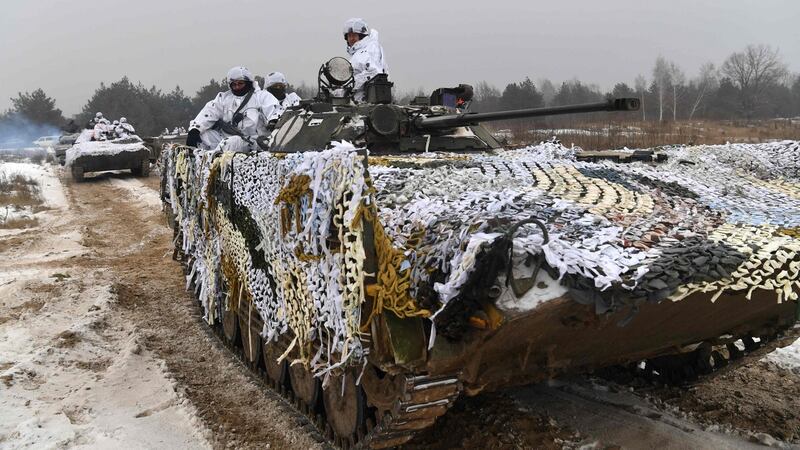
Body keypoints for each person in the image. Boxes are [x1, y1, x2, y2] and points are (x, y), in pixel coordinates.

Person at [186, 66, 279, 152]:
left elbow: (274, 110)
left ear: (249, 83)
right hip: (226, 137)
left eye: (240, 83)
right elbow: (209, 111)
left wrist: (274, 120)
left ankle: (214, 165)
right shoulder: (224, 98)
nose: (237, 87)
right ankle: (199, 162)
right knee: (203, 136)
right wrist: (195, 129)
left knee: (231, 143)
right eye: (234, 84)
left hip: (253, 142)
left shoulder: (261, 96)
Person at [343, 17, 388, 102]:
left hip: (366, 102)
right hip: (356, 101)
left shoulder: (370, 48)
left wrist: (350, 86)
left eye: (354, 35)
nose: (351, 39)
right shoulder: (358, 53)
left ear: (361, 36)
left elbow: (375, 72)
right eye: (349, 36)